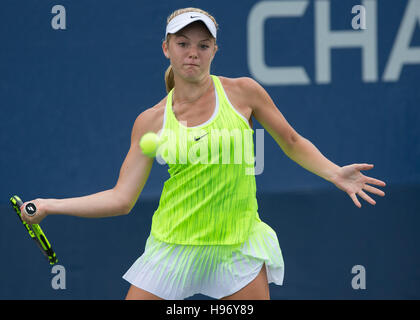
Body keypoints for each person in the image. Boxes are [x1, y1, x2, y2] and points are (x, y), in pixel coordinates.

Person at [21, 7, 386, 300]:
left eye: (203, 44)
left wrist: (334, 172)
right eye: (183, 43)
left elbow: (291, 141)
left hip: (236, 247)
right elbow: (121, 199)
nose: (193, 52)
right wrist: (51, 205)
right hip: (172, 247)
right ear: (167, 48)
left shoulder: (244, 92)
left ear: (214, 50)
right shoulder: (150, 122)